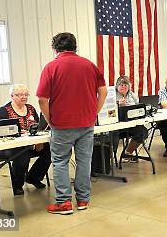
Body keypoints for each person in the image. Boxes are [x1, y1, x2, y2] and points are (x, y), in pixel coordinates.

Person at [37, 32, 107, 215]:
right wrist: (94, 112)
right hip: (86, 122)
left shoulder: (51, 67)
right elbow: (103, 92)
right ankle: (83, 200)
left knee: (60, 162)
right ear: (75, 46)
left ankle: (64, 203)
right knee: (84, 161)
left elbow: (42, 99)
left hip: (61, 124)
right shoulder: (89, 65)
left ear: (55, 48)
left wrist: (49, 119)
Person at [0, 84, 51, 196]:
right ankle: (17, 185)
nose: (24, 97)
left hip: (30, 144)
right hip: (10, 147)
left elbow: (38, 127)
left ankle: (33, 177)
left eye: (26, 94)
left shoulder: (30, 108)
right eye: (20, 95)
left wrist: (38, 141)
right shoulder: (4, 111)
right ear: (12, 96)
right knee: (22, 155)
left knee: (50, 151)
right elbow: (0, 133)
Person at [114, 76, 149, 161]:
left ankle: (127, 153)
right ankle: (110, 159)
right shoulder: (113, 95)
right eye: (121, 85)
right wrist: (118, 104)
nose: (123, 87)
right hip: (117, 126)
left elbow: (138, 106)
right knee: (112, 137)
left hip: (131, 123)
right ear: (117, 86)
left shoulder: (132, 95)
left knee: (143, 132)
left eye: (125, 85)